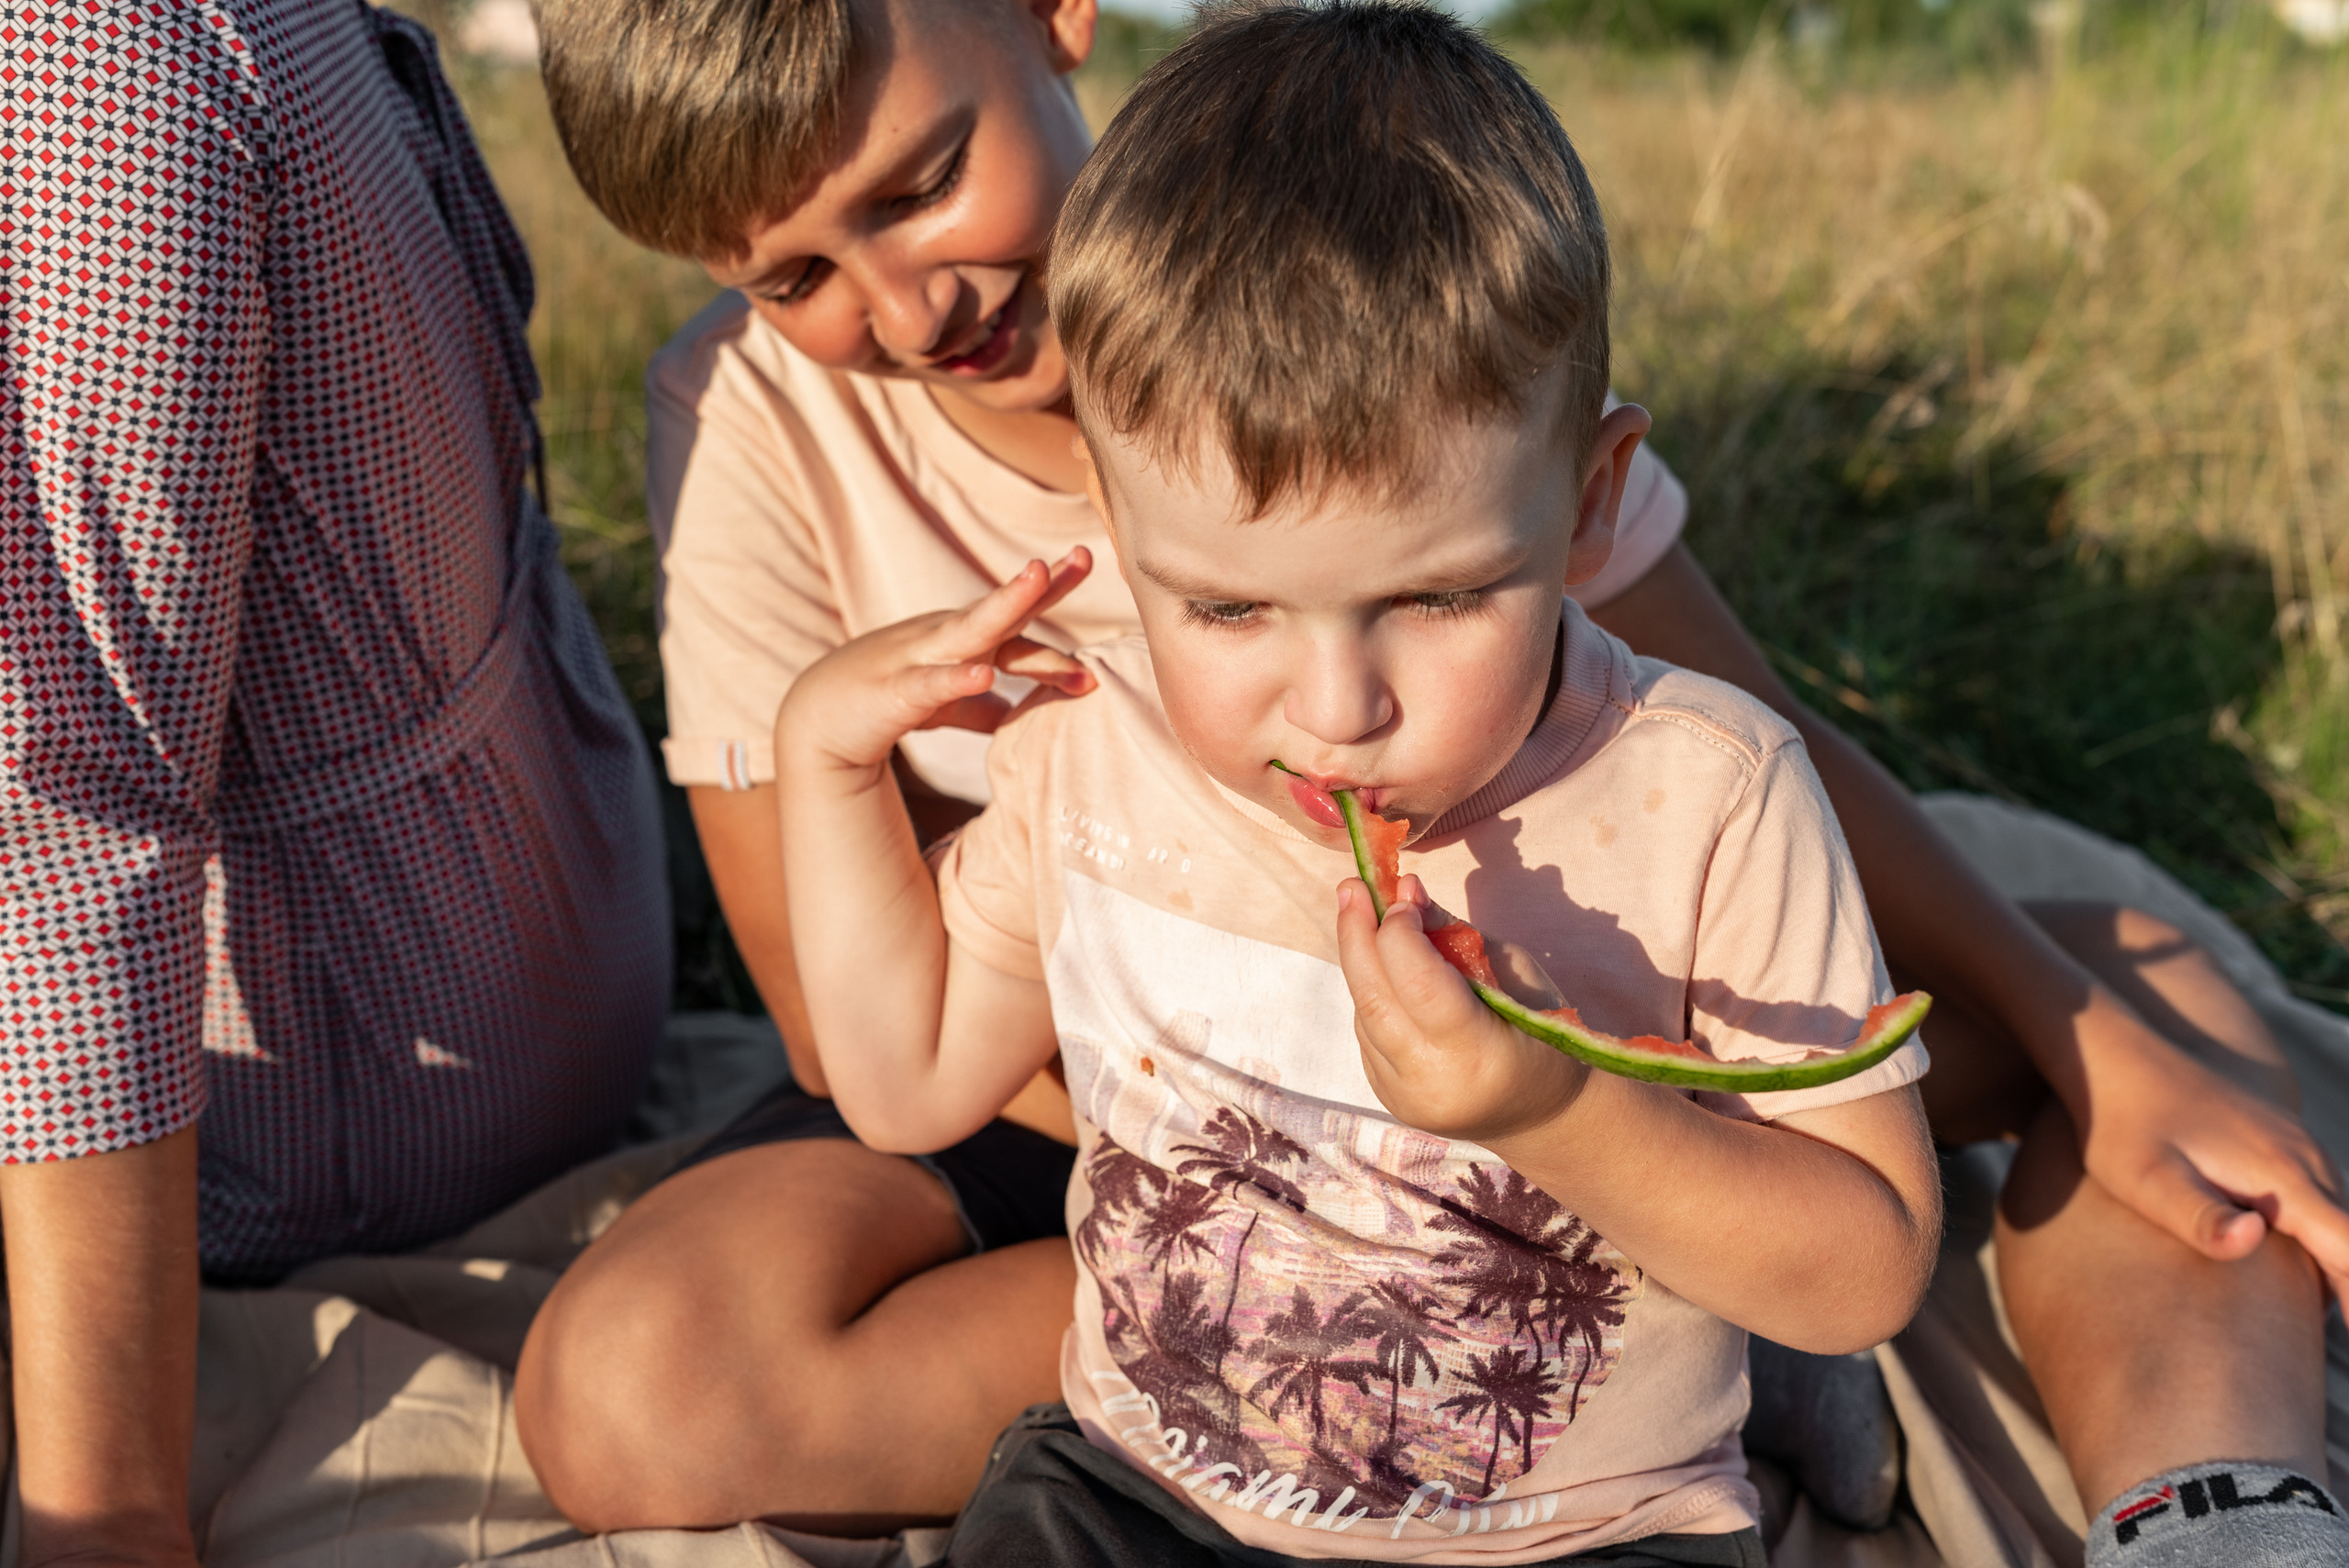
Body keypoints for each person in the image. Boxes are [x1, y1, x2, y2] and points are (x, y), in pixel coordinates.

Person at [515, 0, 2344, 1552]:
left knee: (2124, 1044)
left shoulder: (1350, 249)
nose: (907, 304)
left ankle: (2108, 1439)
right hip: (1113, 1059)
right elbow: (866, 1050)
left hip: (1560, 1001)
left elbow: (1745, 732)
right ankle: (1627, 1307)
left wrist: (2072, 1028)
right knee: (638, 1379)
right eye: (792, 274)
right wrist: (1326, 1175)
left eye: (917, 183)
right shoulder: (756, 430)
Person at [774, 8, 1945, 1558]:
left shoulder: (1708, 796)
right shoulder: (1091, 747)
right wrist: (828, 760)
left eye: (1443, 597)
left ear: (1589, 504)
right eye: (1228, 609)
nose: (1337, 711)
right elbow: (906, 1079)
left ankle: (1764, 1383)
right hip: (1149, 1492)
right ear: (1123, 540)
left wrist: (1554, 1105)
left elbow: (1867, 1266)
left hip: (1580, 1531)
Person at [0, 6, 669, 1566]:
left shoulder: (86, 54)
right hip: (504, 940)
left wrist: (101, 1515)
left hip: (340, 1088)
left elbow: (76, 801)